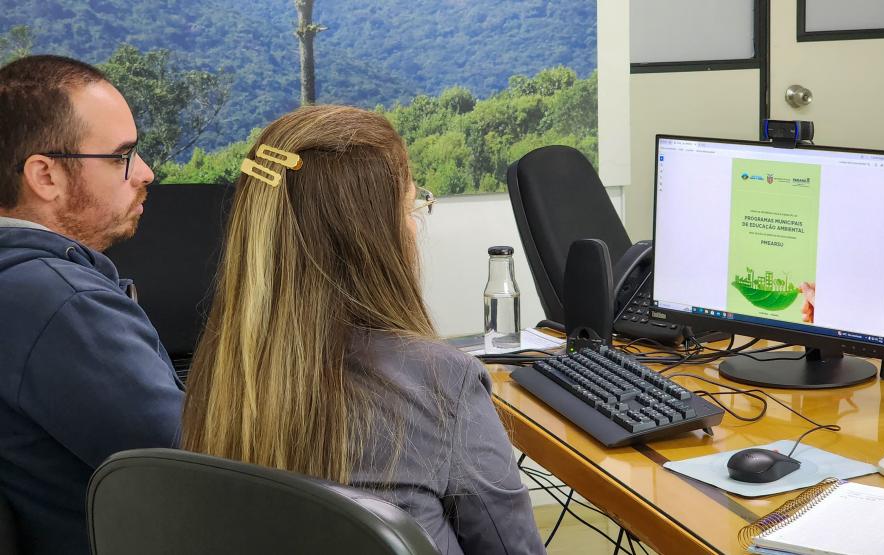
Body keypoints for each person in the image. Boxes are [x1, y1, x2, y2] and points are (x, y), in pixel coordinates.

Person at [182, 105, 545, 554]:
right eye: (411, 205)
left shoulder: (219, 371)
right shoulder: (441, 381)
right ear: (372, 237)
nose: (414, 224)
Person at [0, 55, 184, 554]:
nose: (145, 172)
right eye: (120, 156)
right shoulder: (60, 304)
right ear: (46, 176)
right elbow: (208, 472)